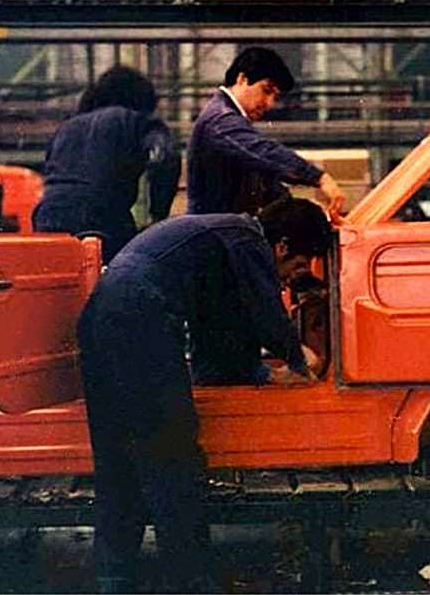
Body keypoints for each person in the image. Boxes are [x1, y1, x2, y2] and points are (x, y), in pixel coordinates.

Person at [77, 198, 332, 593]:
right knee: (174, 459)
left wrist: (256, 373)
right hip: (140, 320)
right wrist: (302, 362)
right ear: (281, 246)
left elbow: (221, 324)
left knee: (119, 461)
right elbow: (265, 311)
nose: (285, 280)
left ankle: (116, 580)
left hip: (101, 318)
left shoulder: (219, 238)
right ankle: (189, 584)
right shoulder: (247, 239)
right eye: (294, 267)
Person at [32, 66, 180, 263]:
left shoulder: (67, 126)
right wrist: (158, 215)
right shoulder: (138, 121)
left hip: (47, 217)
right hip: (103, 218)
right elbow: (165, 158)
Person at [186, 46, 345, 219]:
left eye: (275, 97)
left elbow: (267, 185)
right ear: (242, 79)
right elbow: (264, 152)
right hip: (213, 234)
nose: (269, 103)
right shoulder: (219, 120)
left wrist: (304, 211)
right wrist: (319, 178)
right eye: (266, 90)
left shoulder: (230, 121)